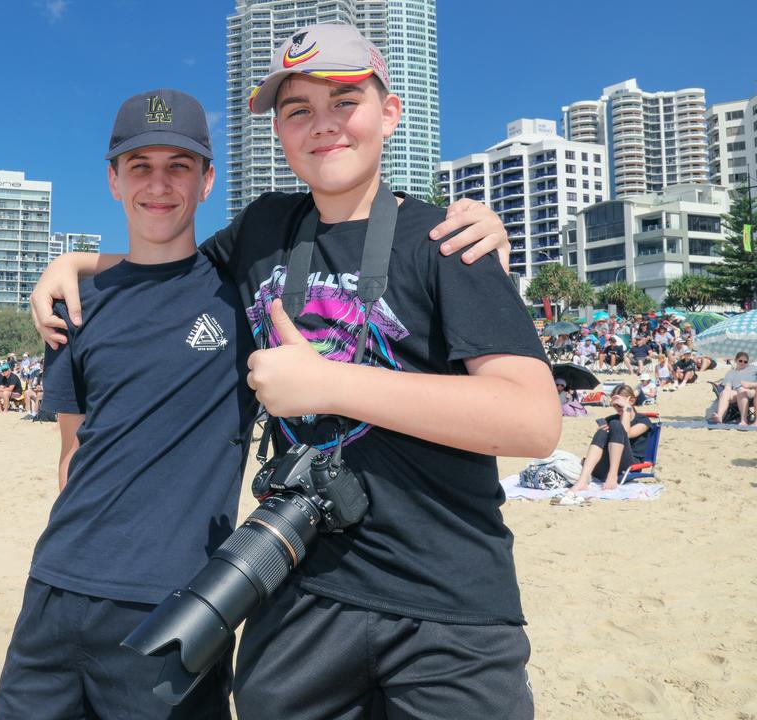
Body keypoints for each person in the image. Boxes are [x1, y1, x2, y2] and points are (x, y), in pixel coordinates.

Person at [29, 25, 548, 719]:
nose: (323, 125)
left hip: (446, 606)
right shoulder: (263, 231)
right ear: (278, 131)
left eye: (345, 102)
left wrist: (330, 384)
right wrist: (75, 266)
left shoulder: (448, 242)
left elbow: (533, 419)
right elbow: (163, 259)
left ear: (390, 113)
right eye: (298, 110)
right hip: (294, 593)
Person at [0, 88, 249, 718]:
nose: (158, 185)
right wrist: (75, 264)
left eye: (178, 167)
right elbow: (71, 456)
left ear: (208, 179)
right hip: (54, 594)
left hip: (175, 609)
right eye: (140, 167)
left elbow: (347, 226)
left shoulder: (242, 295)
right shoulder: (75, 306)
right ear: (113, 180)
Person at [566, 384, 654, 493]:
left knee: (616, 425)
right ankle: (583, 480)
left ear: (631, 401)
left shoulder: (643, 420)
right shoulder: (611, 419)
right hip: (605, 465)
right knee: (603, 430)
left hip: (629, 466)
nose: (617, 408)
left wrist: (626, 409)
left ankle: (612, 476)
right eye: (615, 406)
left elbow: (626, 433)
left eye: (620, 405)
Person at [711, 352, 757, 425]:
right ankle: (719, 416)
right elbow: (727, 387)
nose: (743, 363)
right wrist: (725, 393)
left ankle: (743, 420)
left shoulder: (752, 368)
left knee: (741, 390)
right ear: (736, 360)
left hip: (752, 391)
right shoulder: (730, 373)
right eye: (740, 361)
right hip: (736, 392)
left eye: (745, 362)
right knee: (725, 392)